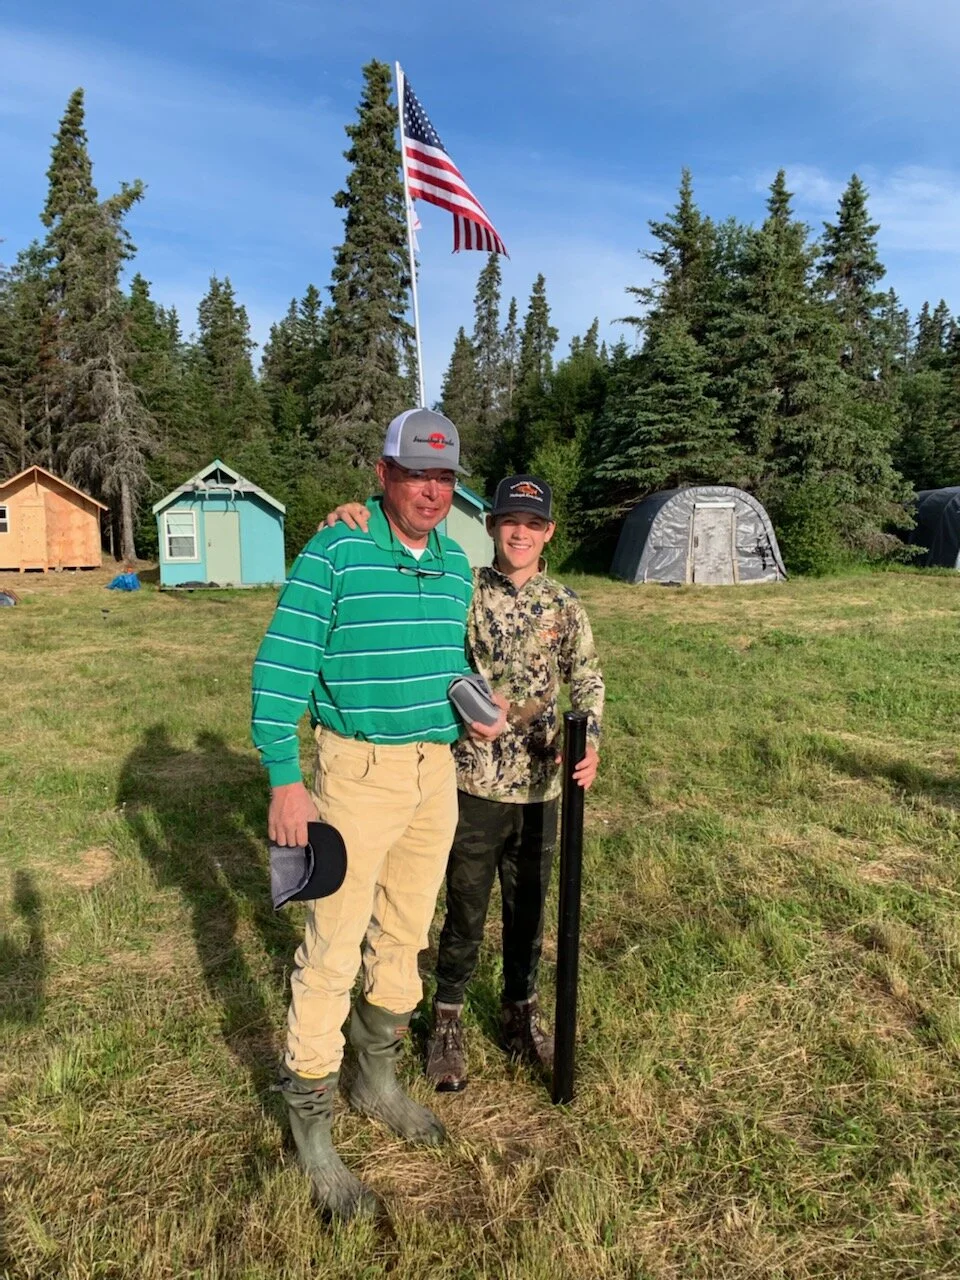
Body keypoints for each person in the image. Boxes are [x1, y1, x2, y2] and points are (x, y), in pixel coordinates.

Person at [251, 408, 506, 1221]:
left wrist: (473, 700)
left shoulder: (459, 564)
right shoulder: (337, 548)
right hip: (354, 774)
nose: (431, 490)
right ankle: (312, 1127)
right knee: (331, 949)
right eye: (415, 473)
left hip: (436, 771)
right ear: (382, 472)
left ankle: (378, 1080)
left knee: (403, 935)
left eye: (444, 477)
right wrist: (286, 780)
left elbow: (446, 657)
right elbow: (279, 669)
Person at [323, 474, 604, 1095]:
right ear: (491, 526)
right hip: (472, 785)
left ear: (548, 532)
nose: (520, 533)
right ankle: (447, 1017)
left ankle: (520, 1012)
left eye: (532, 524)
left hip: (540, 788)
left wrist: (590, 745)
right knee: (464, 908)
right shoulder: (463, 589)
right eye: (509, 522)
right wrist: (355, 517)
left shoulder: (564, 603)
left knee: (528, 908)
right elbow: (412, 607)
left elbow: (586, 678)